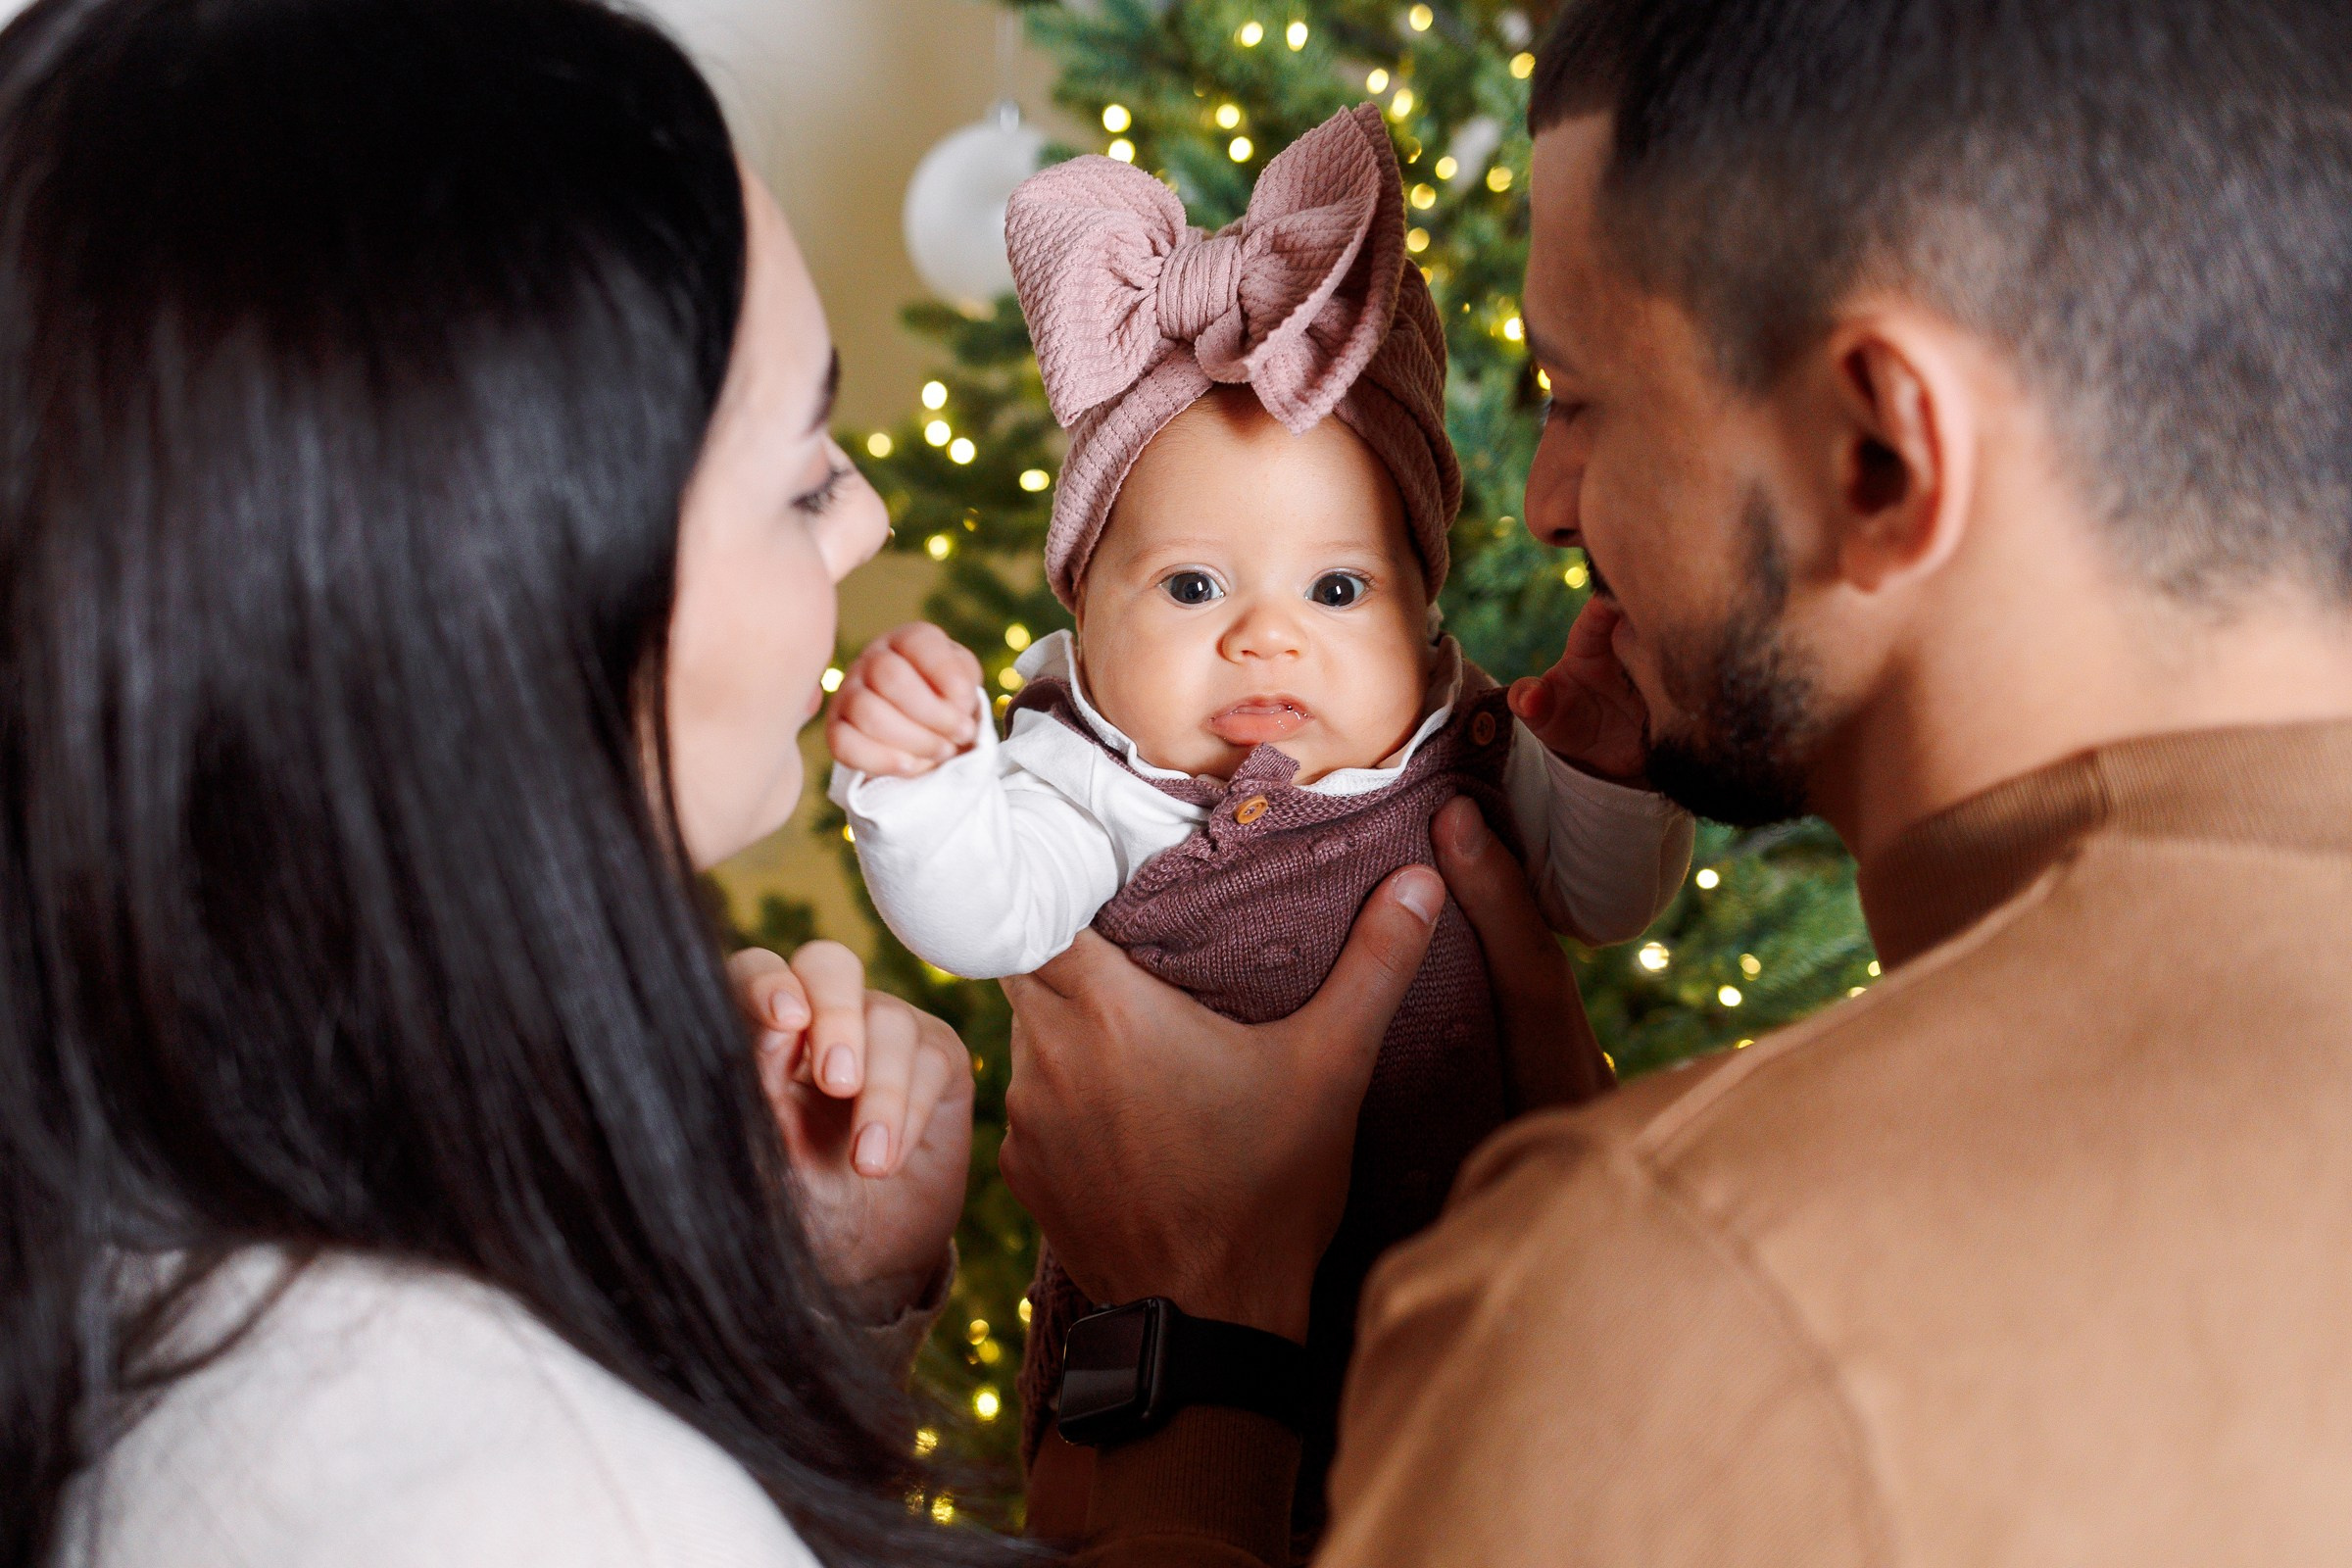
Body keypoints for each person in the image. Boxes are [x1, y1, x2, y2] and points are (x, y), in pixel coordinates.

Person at [995, 0, 2352, 1562]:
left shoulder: (1675, 1313)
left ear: (1877, 455)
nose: (1546, 502)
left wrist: (1195, 1332)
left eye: (1578, 399)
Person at [0, 3, 1011, 1566]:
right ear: (498, 608)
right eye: (803, 474)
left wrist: (792, 1308)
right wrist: (1211, 1325)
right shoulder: (515, 1502)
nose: (866, 526)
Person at [820, 103, 1690, 1538]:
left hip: (1475, 1341)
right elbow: (990, 911)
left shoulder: (1464, 743)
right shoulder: (1092, 786)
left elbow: (1604, 896)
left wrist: (1605, 774)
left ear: (1422, 618)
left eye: (1337, 592)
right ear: (1081, 620)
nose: (1267, 643)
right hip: (1166, 1386)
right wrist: (922, 787)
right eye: (1191, 589)